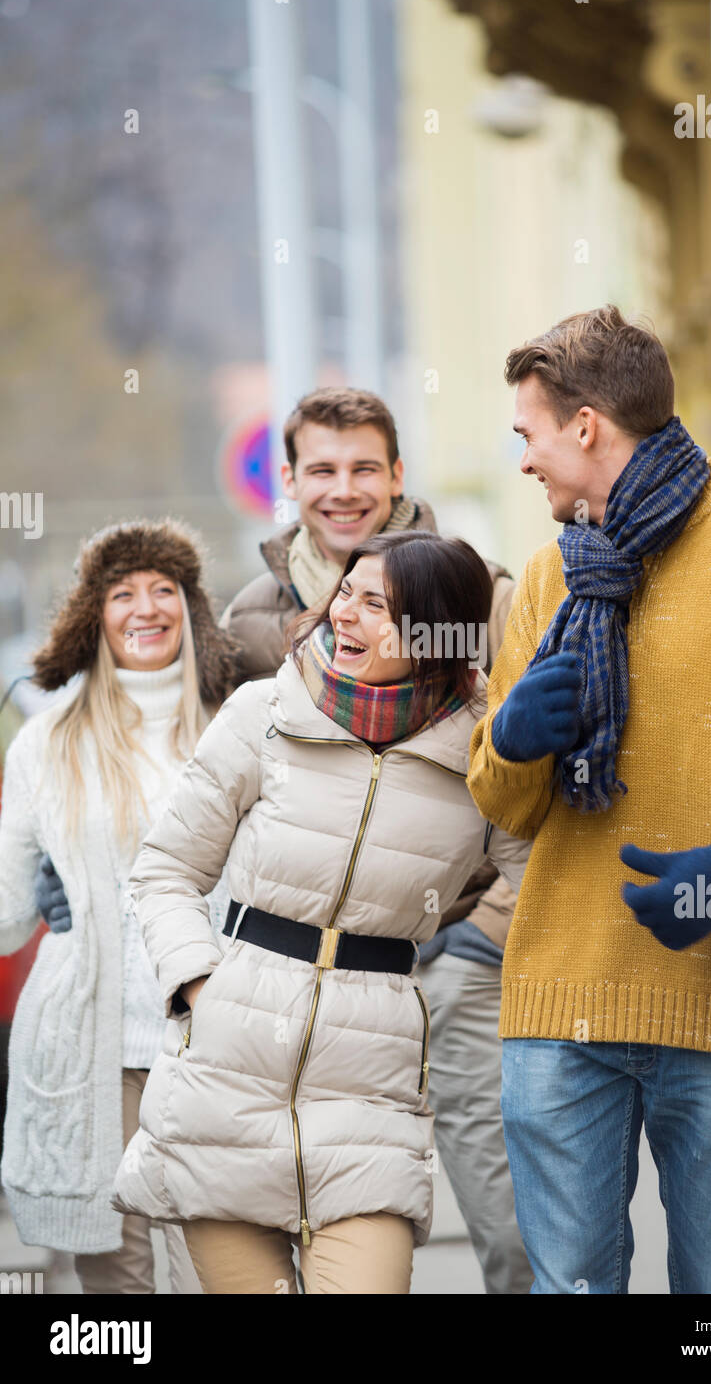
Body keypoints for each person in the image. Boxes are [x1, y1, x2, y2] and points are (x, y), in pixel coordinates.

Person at [467, 304, 711, 1294]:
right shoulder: (552, 574)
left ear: (587, 424)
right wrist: (513, 737)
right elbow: (502, 803)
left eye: (528, 434)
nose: (524, 462)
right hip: (557, 1011)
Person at [111, 530, 531, 1295]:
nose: (347, 615)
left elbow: (544, 882)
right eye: (348, 592)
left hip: (370, 1083)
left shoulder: (482, 749)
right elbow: (166, 868)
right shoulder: (261, 713)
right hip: (225, 1078)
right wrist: (200, 987)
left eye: (379, 605)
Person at [220, 386, 533, 1293]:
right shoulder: (248, 622)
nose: (344, 488)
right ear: (290, 481)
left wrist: (478, 937)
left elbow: (525, 785)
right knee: (290, 1217)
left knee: (507, 1215)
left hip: (460, 959)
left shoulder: (486, 590)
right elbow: (221, 791)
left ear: (398, 475)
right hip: (301, 982)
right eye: (322, 469)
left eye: (366, 467)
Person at [0, 519, 238, 1294]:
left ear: (189, 609)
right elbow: (6, 916)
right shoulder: (46, 744)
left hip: (213, 1039)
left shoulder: (235, 730)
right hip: (89, 1051)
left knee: (217, 1264)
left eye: (164, 590)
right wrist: (41, 894)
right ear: (93, 615)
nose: (145, 608)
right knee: (119, 1279)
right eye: (123, 592)